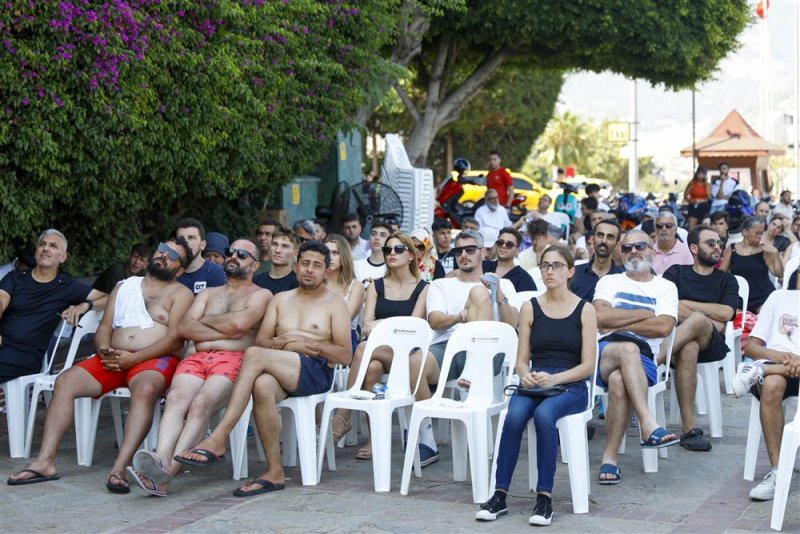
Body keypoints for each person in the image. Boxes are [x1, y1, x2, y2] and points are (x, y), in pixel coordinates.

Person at [7, 239, 193, 490]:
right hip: (114, 357)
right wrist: (104, 349)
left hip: (153, 359)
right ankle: (45, 462)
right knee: (65, 381)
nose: (163, 255)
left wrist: (135, 358)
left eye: (172, 255)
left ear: (180, 269)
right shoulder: (124, 286)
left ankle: (119, 469)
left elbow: (174, 340)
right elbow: (104, 327)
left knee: (146, 390)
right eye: (162, 249)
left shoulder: (181, 293)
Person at [173, 241, 352, 497]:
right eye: (305, 263)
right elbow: (263, 340)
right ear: (296, 265)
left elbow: (345, 354)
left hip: (316, 369)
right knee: (262, 384)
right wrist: (284, 344)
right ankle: (274, 472)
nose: (309, 270)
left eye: (317, 265)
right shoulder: (280, 300)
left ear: (326, 271)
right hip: (282, 366)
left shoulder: (335, 304)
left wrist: (308, 344)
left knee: (254, 356)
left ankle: (219, 436)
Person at [125, 239, 271, 497]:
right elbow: (184, 327)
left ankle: (166, 472)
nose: (234, 256)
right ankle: (161, 460)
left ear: (255, 265)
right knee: (176, 398)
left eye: (242, 254)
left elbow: (241, 323)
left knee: (202, 404)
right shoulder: (207, 293)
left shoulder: (261, 295)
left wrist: (206, 327)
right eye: (231, 252)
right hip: (197, 358)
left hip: (233, 360)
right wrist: (229, 333)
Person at [476, 245, 596, 526]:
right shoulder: (530, 307)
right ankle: (499, 495)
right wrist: (525, 373)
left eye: (556, 266)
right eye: (545, 265)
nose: (549, 271)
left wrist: (555, 378)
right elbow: (521, 359)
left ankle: (544, 498)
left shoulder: (585, 309)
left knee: (544, 416)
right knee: (514, 415)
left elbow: (588, 366)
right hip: (535, 380)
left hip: (571, 383)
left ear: (570, 271)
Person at [410, 230, 519, 466]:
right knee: (415, 362)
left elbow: (513, 325)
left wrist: (497, 294)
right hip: (448, 347)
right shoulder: (441, 284)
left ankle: (472, 368)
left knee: (479, 292)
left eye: (470, 250)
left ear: (483, 252)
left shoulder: (504, 283)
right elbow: (434, 320)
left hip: (490, 350)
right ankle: (427, 439)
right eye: (459, 251)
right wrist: (461, 315)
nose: (464, 255)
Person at [330, 233, 429, 460]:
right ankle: (376, 436)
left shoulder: (423, 287)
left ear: (411, 256)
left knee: (364, 349)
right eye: (387, 250)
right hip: (380, 351)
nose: (391, 254)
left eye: (398, 249)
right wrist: (389, 326)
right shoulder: (376, 285)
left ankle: (343, 415)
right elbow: (366, 326)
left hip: (407, 356)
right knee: (372, 367)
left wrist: (382, 325)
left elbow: (412, 329)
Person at [593, 231, 680, 484]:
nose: (633, 251)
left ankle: (609, 459)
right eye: (627, 247)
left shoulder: (665, 287)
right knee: (626, 349)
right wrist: (645, 314)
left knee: (620, 380)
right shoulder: (609, 283)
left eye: (640, 246)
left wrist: (619, 322)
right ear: (621, 253)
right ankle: (647, 423)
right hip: (606, 351)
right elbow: (600, 318)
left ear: (652, 250)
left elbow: (663, 327)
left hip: (644, 357)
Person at [662, 225, 739, 451]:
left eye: (719, 243)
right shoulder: (675, 273)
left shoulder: (727, 280)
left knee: (696, 320)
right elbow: (667, 307)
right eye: (711, 243)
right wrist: (709, 316)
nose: (718, 247)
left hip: (711, 342)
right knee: (689, 348)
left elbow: (727, 314)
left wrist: (688, 308)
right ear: (694, 248)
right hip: (679, 342)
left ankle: (655, 358)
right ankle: (689, 429)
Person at [0, 229, 108, 382]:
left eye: (53, 246)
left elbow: (108, 298)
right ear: (36, 251)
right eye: (42, 244)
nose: (45, 248)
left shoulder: (66, 285)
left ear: (63, 257)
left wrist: (85, 305)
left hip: (25, 355)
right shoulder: (14, 277)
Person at [733, 287, 799, 501]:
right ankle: (778, 471)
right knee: (771, 385)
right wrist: (780, 357)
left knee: (767, 374)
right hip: (779, 366)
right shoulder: (778, 297)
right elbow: (752, 347)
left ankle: (759, 370)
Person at [720, 216, 783, 312]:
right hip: (739, 297)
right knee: (736, 322)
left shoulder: (765, 250)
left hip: (763, 297)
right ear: (745, 232)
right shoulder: (732, 249)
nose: (759, 236)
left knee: (764, 317)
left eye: (761, 234)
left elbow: (779, 274)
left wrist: (776, 253)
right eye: (756, 233)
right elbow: (722, 273)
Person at [324, 234, 365, 352]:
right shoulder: (317, 283)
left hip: (343, 341)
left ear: (344, 256)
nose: (330, 257)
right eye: (326, 252)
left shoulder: (355, 286)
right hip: (316, 337)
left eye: (335, 253)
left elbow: (344, 320)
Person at [571, 220, 624, 302]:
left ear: (617, 244)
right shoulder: (574, 273)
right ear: (592, 239)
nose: (604, 241)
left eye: (610, 237)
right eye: (600, 235)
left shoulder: (622, 278)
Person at [175, 218, 226, 295]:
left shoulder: (216, 272)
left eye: (191, 237)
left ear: (202, 245)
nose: (185, 242)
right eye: (181, 238)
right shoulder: (170, 270)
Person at [480, 228, 536, 292]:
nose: (503, 246)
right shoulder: (482, 266)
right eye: (500, 243)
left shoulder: (524, 279)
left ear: (517, 250)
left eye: (509, 244)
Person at [254, 225, 300, 295]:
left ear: (295, 253)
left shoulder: (298, 284)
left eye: (285, 246)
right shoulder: (255, 280)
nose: (277, 250)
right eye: (274, 244)